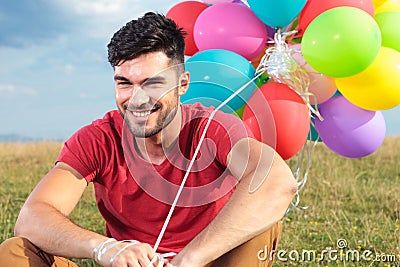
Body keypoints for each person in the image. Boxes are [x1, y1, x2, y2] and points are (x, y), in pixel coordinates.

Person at [0, 12, 297, 267]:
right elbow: (31, 219)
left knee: (259, 227)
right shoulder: (100, 138)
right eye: (124, 84)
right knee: (13, 253)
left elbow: (276, 182)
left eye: (152, 83)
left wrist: (189, 258)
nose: (137, 99)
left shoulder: (212, 128)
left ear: (182, 85)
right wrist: (105, 248)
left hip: (204, 261)